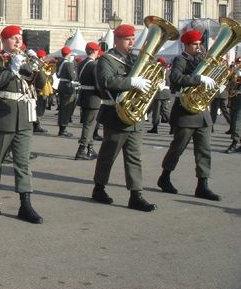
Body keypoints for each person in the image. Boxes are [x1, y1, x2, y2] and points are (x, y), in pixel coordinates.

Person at [0, 25, 45, 224]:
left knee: (23, 163)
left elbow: (42, 84)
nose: (18, 41)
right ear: (4, 40)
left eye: (19, 37)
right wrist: (12, 69)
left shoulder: (26, 59)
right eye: (13, 38)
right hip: (2, 117)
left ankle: (25, 204)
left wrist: (38, 67)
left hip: (24, 118)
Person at [91, 23, 157, 212]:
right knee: (108, 155)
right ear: (118, 40)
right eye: (128, 40)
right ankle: (99, 187)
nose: (132, 43)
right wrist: (132, 82)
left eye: (132, 39)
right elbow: (106, 81)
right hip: (115, 115)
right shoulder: (107, 60)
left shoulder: (134, 59)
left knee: (134, 157)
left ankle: (136, 195)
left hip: (134, 116)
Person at [157, 29, 221, 201]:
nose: (198, 47)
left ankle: (202, 185)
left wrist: (216, 84)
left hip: (202, 112)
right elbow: (176, 78)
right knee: (177, 148)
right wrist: (198, 79)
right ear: (186, 44)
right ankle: (165, 177)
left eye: (199, 44)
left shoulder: (202, 59)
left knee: (204, 151)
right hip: (185, 111)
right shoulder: (181, 59)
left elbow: (210, 78)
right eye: (194, 44)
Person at [75, 42, 101, 160]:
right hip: (93, 97)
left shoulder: (81, 64)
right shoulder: (94, 65)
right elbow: (97, 83)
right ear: (95, 51)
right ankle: (82, 149)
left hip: (83, 95)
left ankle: (90, 149)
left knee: (89, 123)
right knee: (89, 125)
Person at [56, 46, 78, 137]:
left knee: (62, 108)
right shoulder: (68, 64)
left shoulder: (59, 62)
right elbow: (73, 76)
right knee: (66, 108)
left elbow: (57, 75)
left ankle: (61, 128)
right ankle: (63, 129)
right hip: (68, 87)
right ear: (68, 54)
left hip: (61, 85)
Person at [147, 58, 171, 134]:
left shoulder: (157, 71)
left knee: (156, 111)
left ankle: (155, 127)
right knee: (165, 110)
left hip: (159, 93)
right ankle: (173, 125)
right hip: (167, 92)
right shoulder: (168, 71)